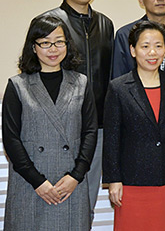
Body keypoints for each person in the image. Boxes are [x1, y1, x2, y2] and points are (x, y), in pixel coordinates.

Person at [2, 15, 98, 229]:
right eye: (45, 43)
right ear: (33, 47)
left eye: (59, 42)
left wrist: (76, 175)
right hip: (30, 184)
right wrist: (38, 181)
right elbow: (11, 139)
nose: (53, 49)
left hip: (70, 184)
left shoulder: (81, 83)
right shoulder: (17, 85)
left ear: (67, 44)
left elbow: (90, 132)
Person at [40, 0, 114, 221]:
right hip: (58, 128)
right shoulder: (49, 22)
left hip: (97, 127)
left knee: (87, 203)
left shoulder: (106, 24)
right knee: (57, 201)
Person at [103, 21, 165, 230]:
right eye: (145, 46)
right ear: (133, 50)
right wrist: (113, 179)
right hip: (132, 182)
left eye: (159, 46)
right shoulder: (119, 88)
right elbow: (112, 138)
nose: (152, 52)